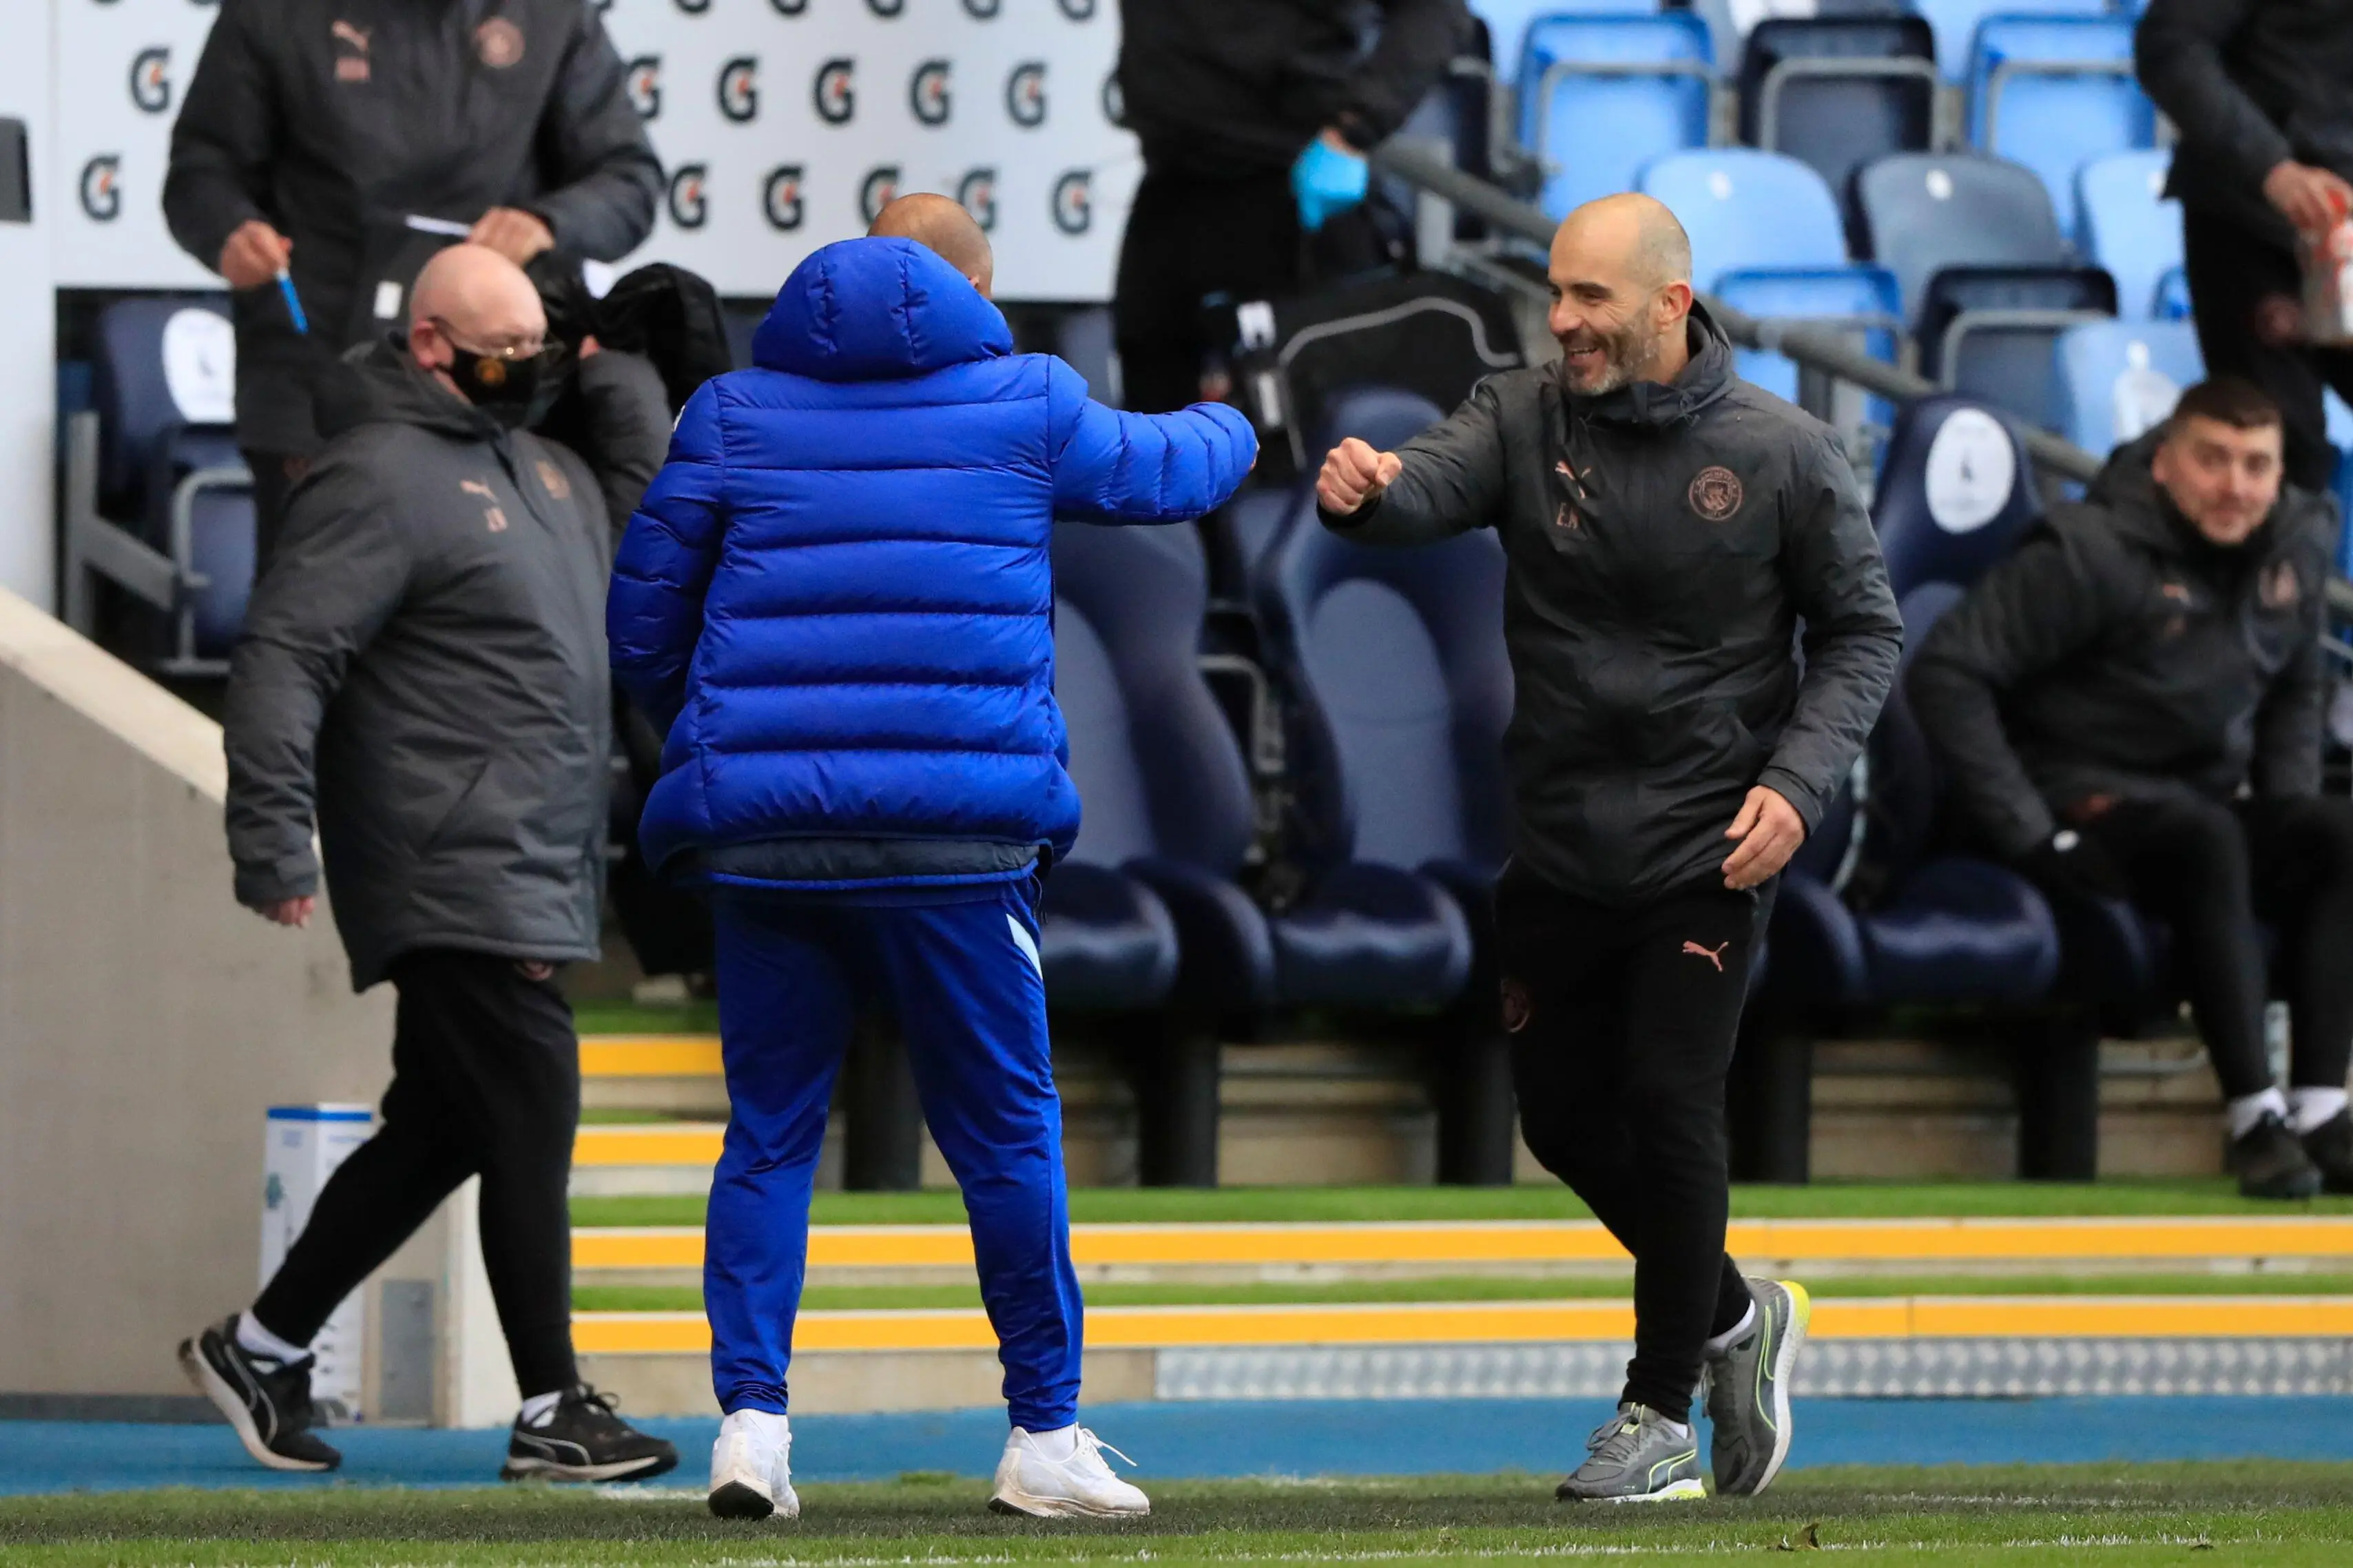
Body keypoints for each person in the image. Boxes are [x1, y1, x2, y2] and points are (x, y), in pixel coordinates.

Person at [609, 195, 1255, 1523]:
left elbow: (638, 626)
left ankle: (751, 1428)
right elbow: (1175, 472)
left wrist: (737, 734)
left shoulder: (731, 411)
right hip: (956, 841)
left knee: (771, 1136)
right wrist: (1240, 411)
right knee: (1006, 1136)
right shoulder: (1027, 400)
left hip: (765, 838)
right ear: (975, 282)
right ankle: (1042, 1433)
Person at [1312, 194, 1903, 1503]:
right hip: (1562, 839)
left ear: (1669, 306)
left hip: (1710, 845)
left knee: (1667, 1100)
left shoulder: (1787, 452)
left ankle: (1656, 1419)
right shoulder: (1520, 414)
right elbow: (1428, 491)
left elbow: (1864, 632)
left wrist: (1799, 784)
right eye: (1556, 294)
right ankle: (1738, 1317)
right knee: (1566, 1119)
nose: (1562, 320)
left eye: (1589, 298)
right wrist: (1371, 493)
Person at [185, 244, 675, 1484]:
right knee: (531, 1104)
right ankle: (554, 1399)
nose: (523, 373)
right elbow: (286, 658)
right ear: (429, 345)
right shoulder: (374, 476)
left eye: (539, 355)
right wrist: (272, 835)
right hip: (450, 858)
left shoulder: (548, 468)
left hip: (538, 853)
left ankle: (262, 1345)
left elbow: (647, 524)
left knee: (445, 1126)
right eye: (501, 356)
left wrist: (612, 376)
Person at [1908, 377, 2352, 1200]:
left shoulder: (2296, 538)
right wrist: (2030, 833)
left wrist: (2286, 809)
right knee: (2204, 834)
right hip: (2077, 799)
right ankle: (2255, 1120)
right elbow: (1946, 673)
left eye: (2255, 466)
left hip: (2201, 803)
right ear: (2162, 461)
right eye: (2210, 459)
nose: (2234, 485)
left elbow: (2294, 691)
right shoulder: (2088, 550)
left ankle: (2322, 1109)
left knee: (2334, 832)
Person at [164, 0, 661, 567]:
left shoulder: (552, 15)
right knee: (311, 608)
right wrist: (229, 229)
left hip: (501, 382)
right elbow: (202, 171)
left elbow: (629, 181)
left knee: (499, 614)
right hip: (316, 366)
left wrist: (548, 223)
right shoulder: (272, 13)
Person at [1112, 0, 1466, 412]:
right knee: (1147, 411)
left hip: (1295, 190)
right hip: (1174, 185)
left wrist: (1353, 133)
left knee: (1313, 426)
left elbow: (1437, 11)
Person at [2137, 0, 2353, 492]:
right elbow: (2169, 47)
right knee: (2278, 453)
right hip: (2252, 222)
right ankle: (2277, 570)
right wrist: (2272, 169)